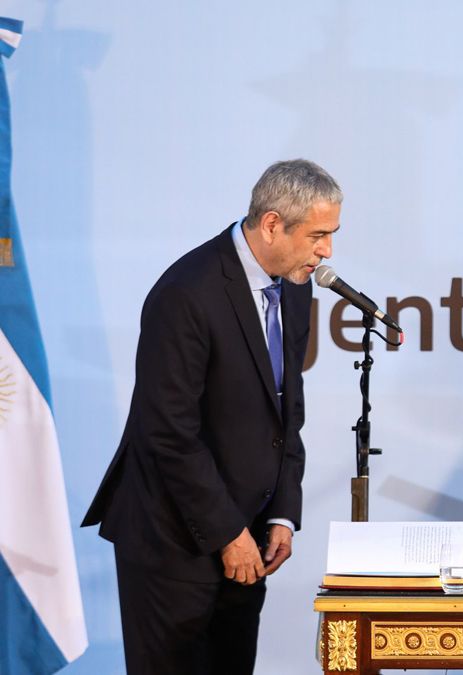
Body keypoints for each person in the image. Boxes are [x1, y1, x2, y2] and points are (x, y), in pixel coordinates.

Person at [82, 159, 341, 674]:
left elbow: (288, 409)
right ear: (272, 224)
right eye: (318, 235)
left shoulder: (295, 285)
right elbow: (169, 431)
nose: (327, 251)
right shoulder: (187, 292)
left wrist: (283, 514)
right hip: (172, 539)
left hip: (249, 540)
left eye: (331, 235)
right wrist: (227, 533)